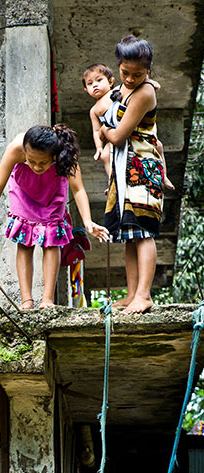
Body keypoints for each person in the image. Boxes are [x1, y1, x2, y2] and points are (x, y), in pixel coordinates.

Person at [0, 124, 109, 309]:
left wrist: (88, 221)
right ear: (25, 150)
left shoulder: (64, 152)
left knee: (51, 240)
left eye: (43, 162)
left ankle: (47, 300)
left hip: (53, 189)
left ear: (54, 155)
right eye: (31, 160)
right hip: (23, 190)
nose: (36, 166)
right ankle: (27, 300)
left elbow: (78, 189)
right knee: (25, 241)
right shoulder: (15, 148)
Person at [99, 35, 164, 314]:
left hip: (142, 168)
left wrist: (103, 131)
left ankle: (144, 295)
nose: (129, 78)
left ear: (148, 70)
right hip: (125, 170)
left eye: (138, 74)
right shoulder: (125, 89)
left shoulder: (144, 92)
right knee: (129, 233)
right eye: (124, 72)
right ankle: (132, 293)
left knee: (144, 231)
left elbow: (118, 136)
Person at [83, 62, 173, 188]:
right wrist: (99, 148)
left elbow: (140, 86)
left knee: (158, 145)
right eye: (90, 83)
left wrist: (151, 84)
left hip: (132, 129)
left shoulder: (119, 90)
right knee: (105, 156)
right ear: (86, 90)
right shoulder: (94, 110)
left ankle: (164, 177)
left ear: (111, 81)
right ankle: (111, 182)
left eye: (99, 80)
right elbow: (96, 131)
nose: (95, 85)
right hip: (113, 133)